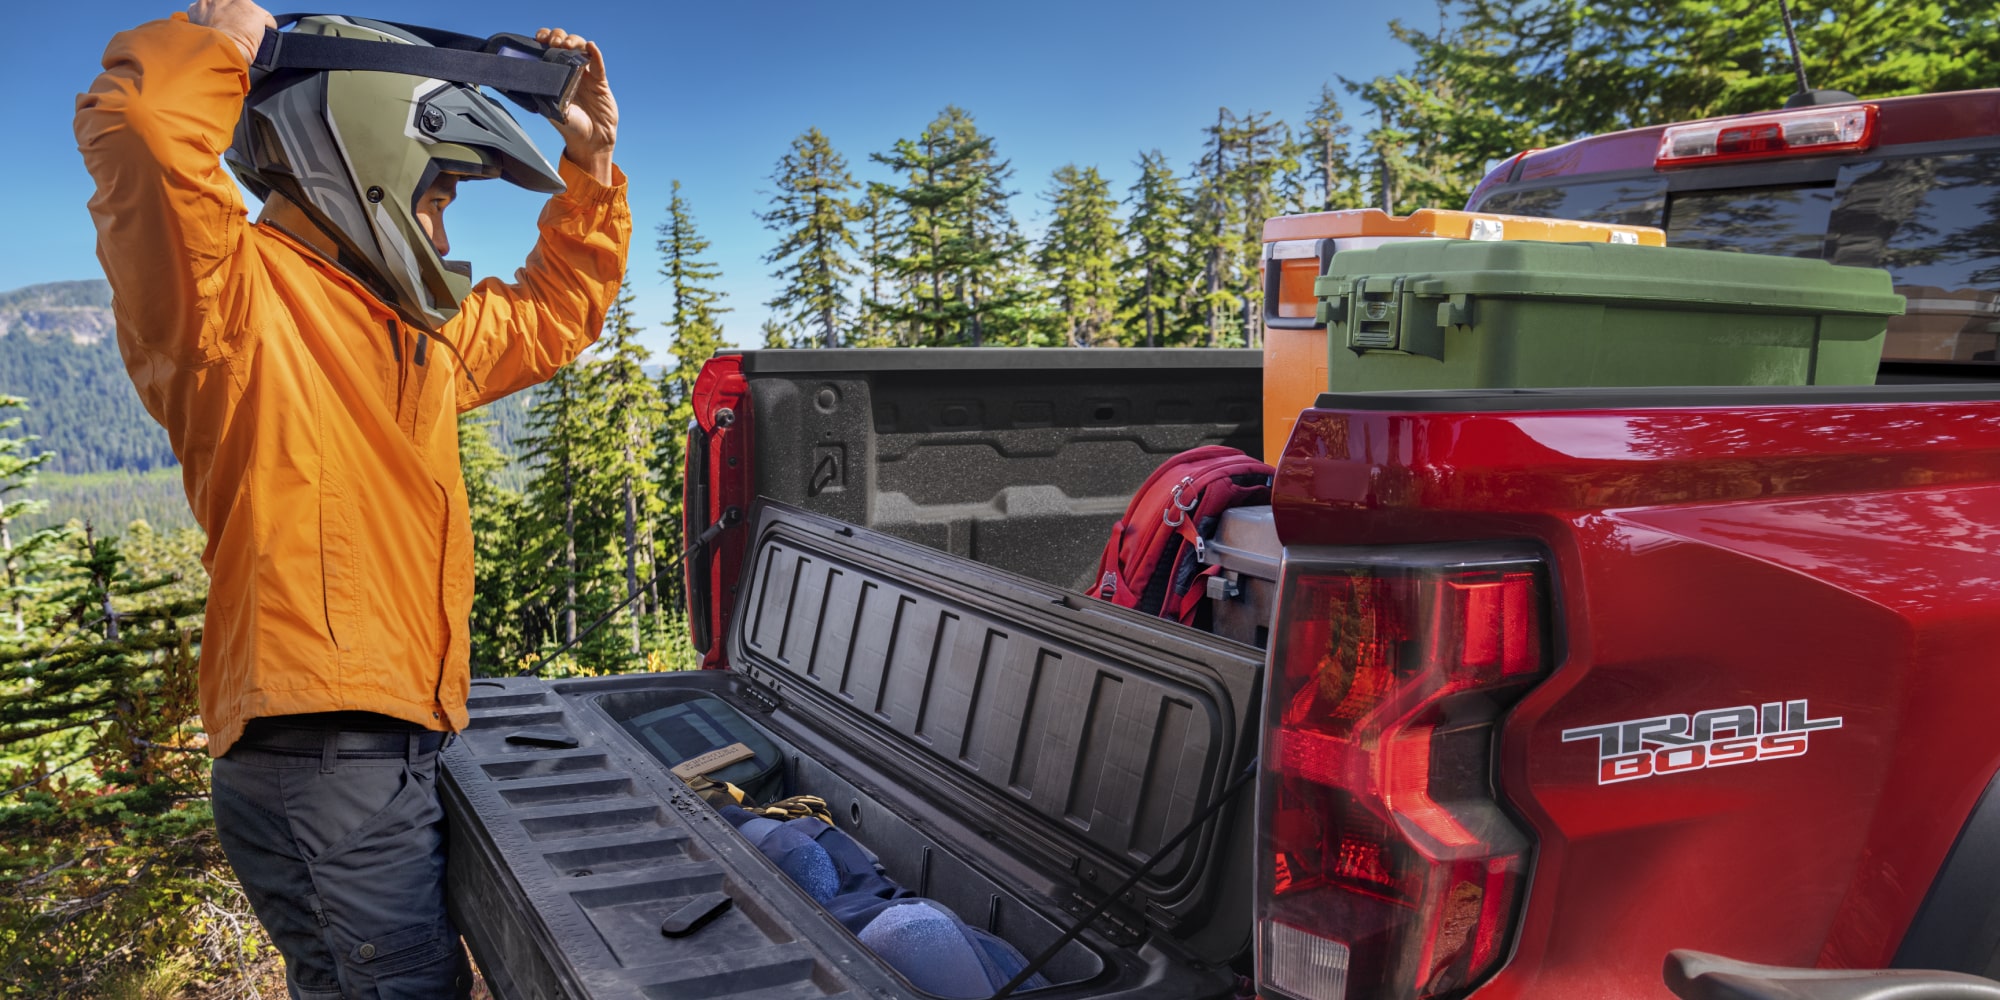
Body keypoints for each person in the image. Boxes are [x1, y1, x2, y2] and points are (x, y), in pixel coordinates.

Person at [75, 0, 630, 994]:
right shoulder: (231, 299)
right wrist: (225, 37)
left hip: (376, 749)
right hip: (323, 753)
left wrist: (589, 162)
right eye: (439, 194)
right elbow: (146, 133)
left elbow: (552, 315)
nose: (443, 221)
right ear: (366, 156)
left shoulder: (410, 326)